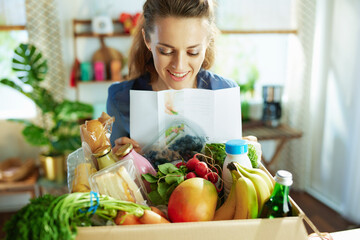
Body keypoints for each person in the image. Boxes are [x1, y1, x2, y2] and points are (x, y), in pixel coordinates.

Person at [107, 0, 238, 153]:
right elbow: (109, 170)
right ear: (147, 40)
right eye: (166, 51)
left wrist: (248, 156)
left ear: (208, 42)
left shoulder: (225, 93)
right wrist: (117, 159)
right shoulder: (120, 99)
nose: (179, 66)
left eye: (193, 52)